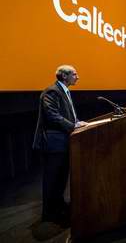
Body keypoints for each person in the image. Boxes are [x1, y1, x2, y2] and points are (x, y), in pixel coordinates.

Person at [32, 65, 88, 225]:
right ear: (64, 76)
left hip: (63, 142)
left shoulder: (64, 91)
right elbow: (52, 116)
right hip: (53, 142)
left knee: (61, 177)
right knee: (52, 178)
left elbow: (66, 114)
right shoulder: (51, 91)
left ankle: (59, 206)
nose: (78, 77)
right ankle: (49, 214)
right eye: (75, 74)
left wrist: (77, 122)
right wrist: (73, 126)